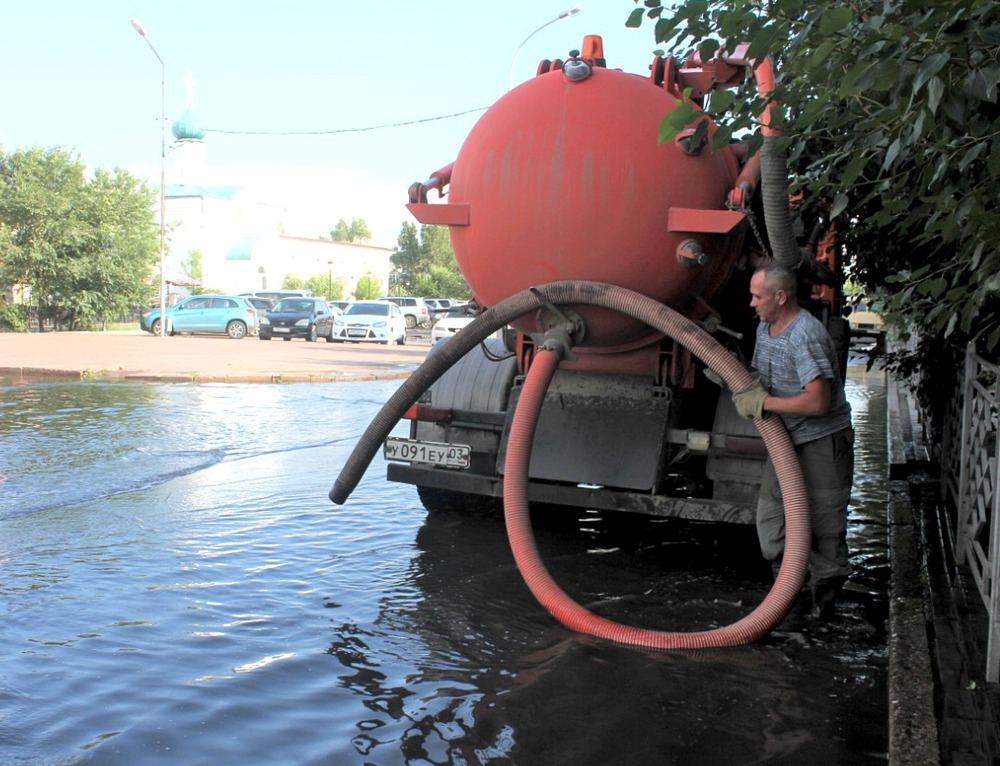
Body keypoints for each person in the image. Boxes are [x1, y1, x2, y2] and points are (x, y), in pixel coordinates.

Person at [732, 262, 854, 619]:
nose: (752, 303)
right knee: (773, 519)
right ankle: (789, 598)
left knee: (823, 526)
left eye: (758, 296)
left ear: (780, 297)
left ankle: (823, 611)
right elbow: (761, 377)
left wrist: (764, 403)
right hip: (785, 440)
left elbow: (818, 401)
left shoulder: (806, 335)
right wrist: (734, 378)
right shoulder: (766, 329)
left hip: (821, 440)